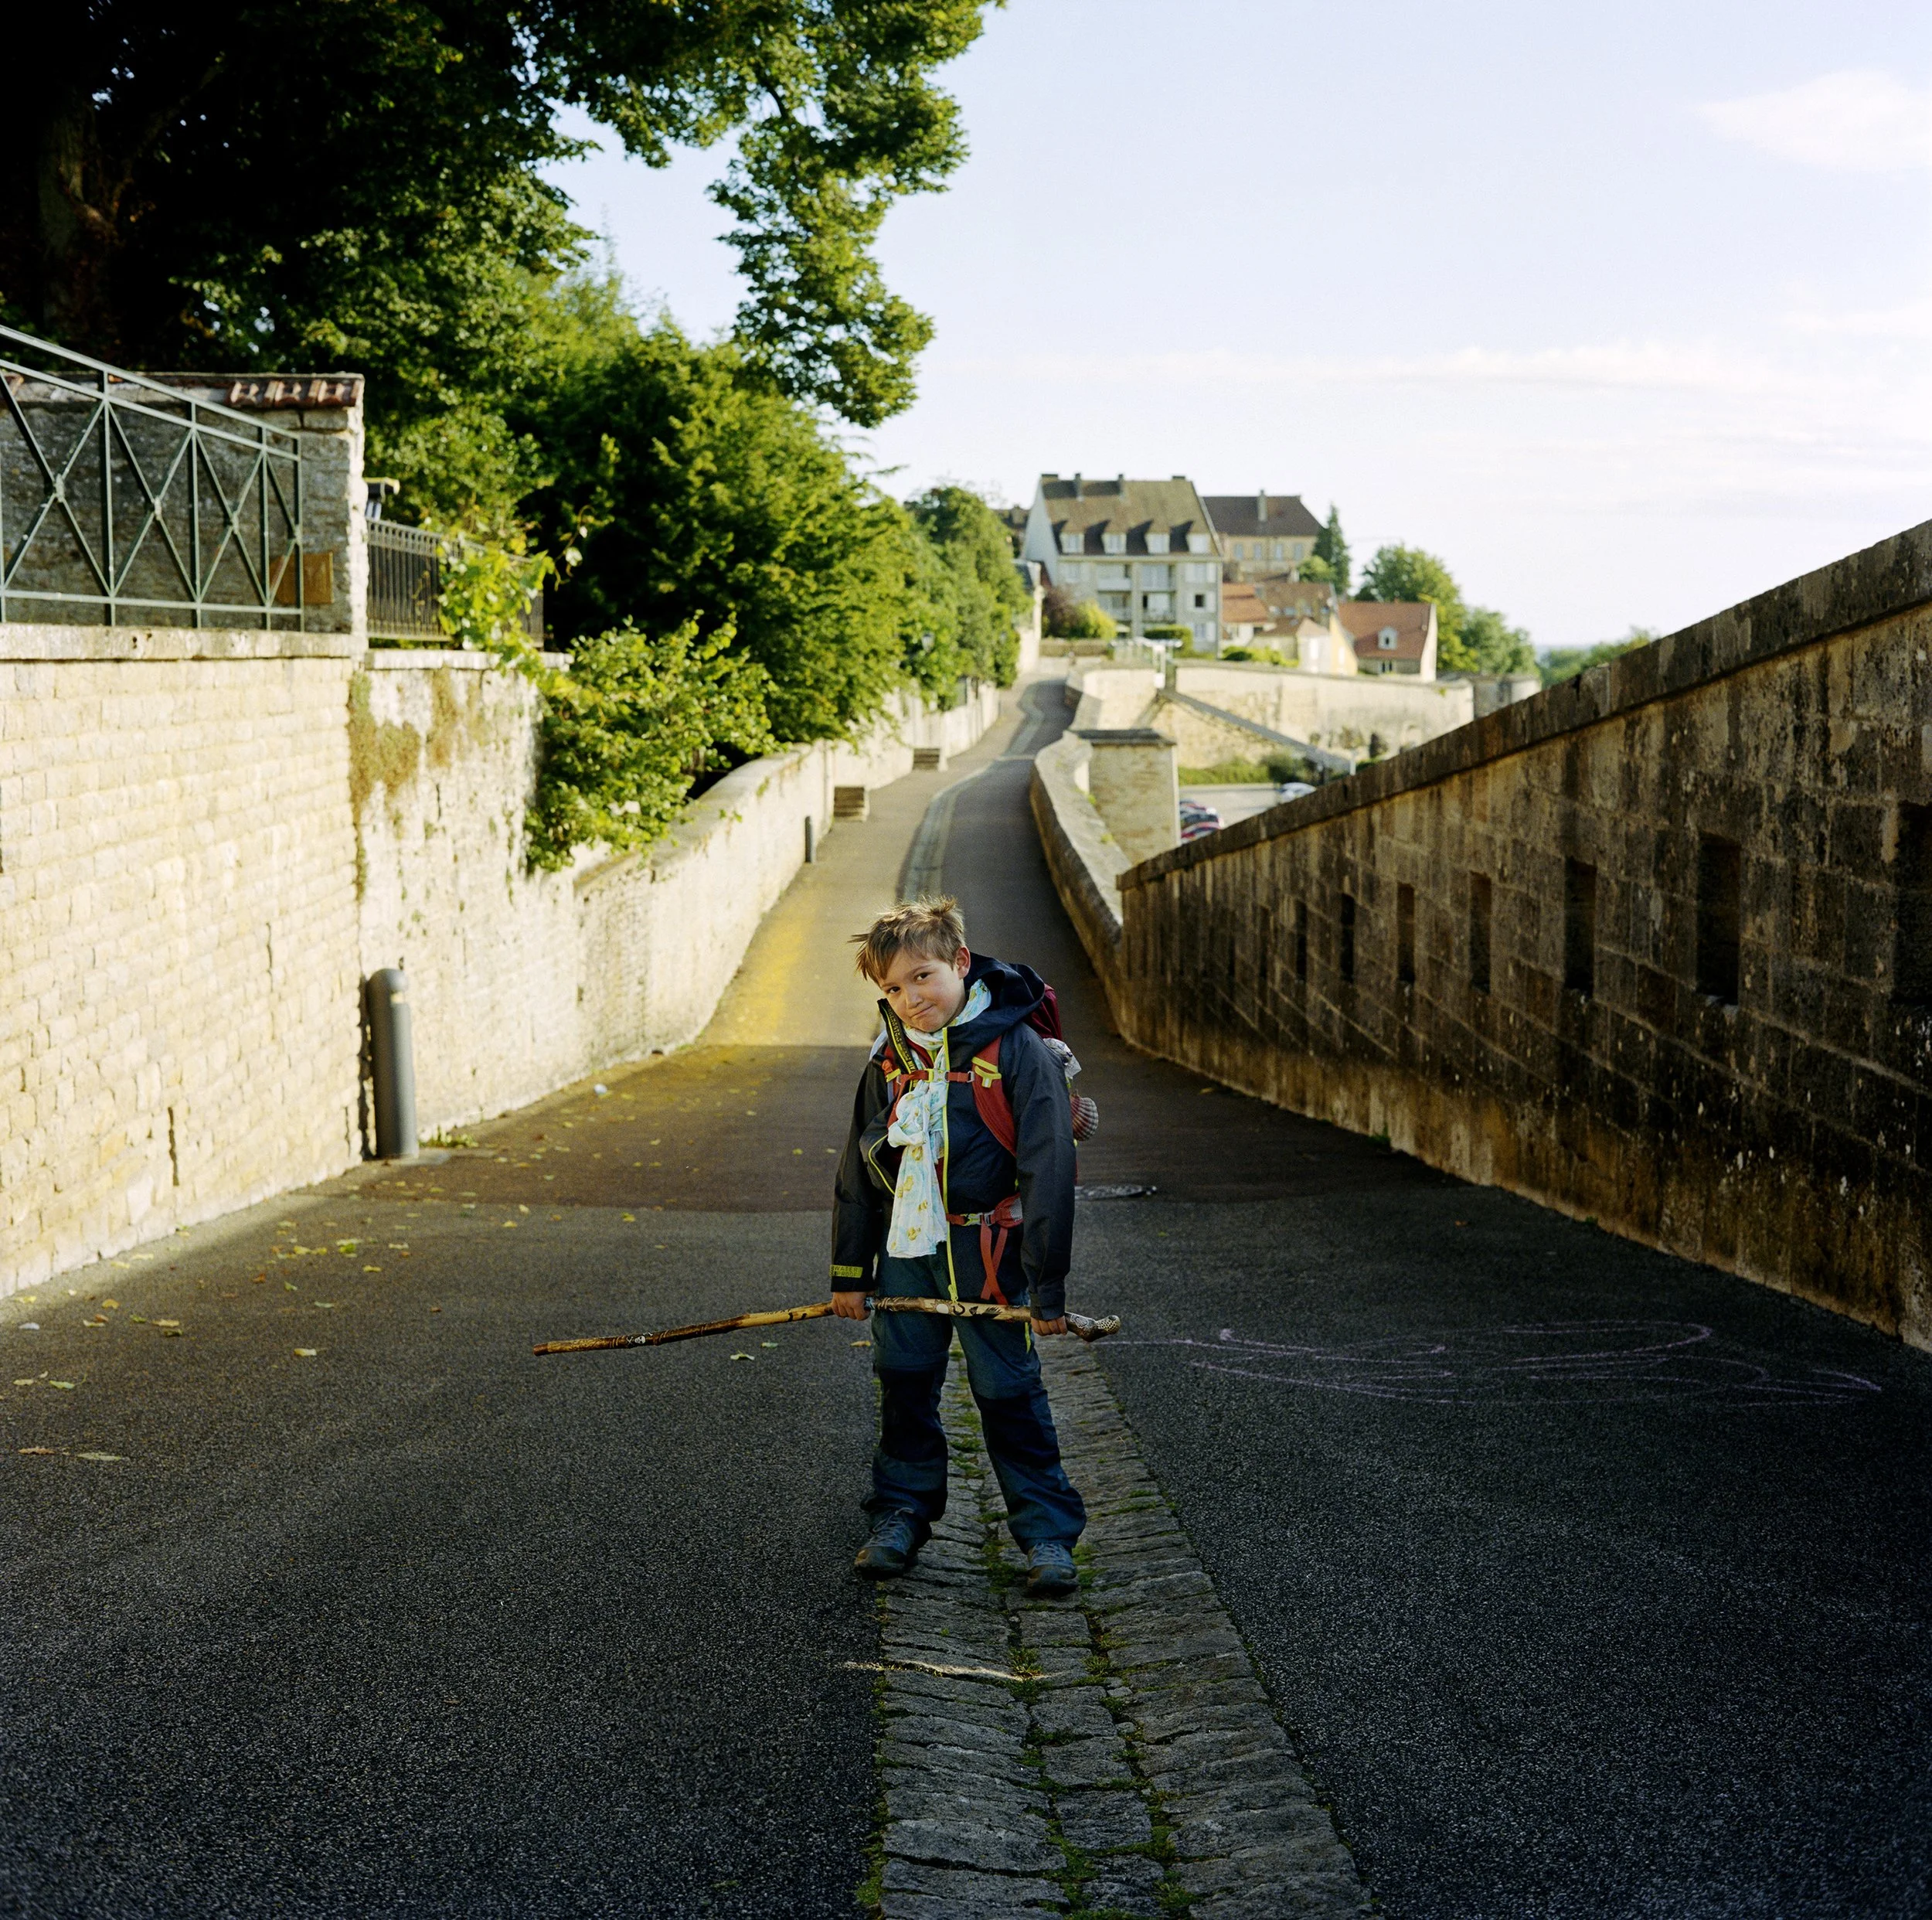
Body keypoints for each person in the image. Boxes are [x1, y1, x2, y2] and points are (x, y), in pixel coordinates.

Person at [832, 897, 1087, 1598]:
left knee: (1009, 1393)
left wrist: (1049, 1286)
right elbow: (856, 1171)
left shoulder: (1015, 1050)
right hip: (907, 1253)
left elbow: (1050, 1170)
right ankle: (901, 1515)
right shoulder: (888, 1061)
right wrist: (851, 1274)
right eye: (892, 988)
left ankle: (1045, 1536)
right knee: (905, 1385)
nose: (910, 999)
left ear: (960, 964)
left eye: (922, 977)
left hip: (993, 1257)